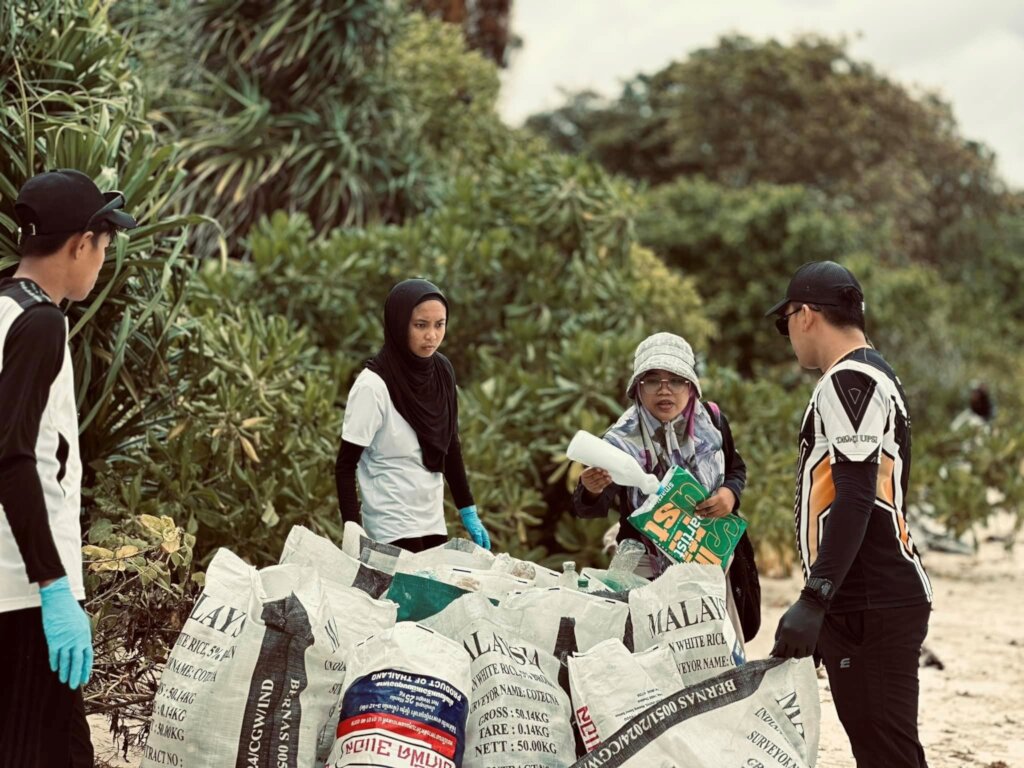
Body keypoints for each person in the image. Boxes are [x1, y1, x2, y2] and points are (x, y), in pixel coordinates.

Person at [766, 261, 933, 767]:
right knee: (882, 749)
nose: (788, 334)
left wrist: (816, 597)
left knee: (888, 755)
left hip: (870, 599)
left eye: (785, 321)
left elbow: (856, 496)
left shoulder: (849, 381)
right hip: (869, 597)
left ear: (807, 315)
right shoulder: (874, 373)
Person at [0, 170, 136, 766]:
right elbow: (13, 458)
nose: (102, 261)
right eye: (104, 247)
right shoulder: (42, 323)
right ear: (81, 243)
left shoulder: (4, 307)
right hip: (25, 588)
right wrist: (55, 589)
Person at [570, 332, 760, 641]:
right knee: (649, 646)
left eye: (675, 380)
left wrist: (729, 494)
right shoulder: (620, 440)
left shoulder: (712, 423)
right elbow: (590, 507)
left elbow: (735, 468)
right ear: (637, 389)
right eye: (652, 380)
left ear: (691, 386)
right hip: (645, 563)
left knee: (711, 646)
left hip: (708, 554)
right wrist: (591, 488)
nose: (664, 390)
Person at [334, 278, 491, 553]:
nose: (431, 335)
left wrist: (468, 510)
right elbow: (345, 465)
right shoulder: (372, 385)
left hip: (431, 519)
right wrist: (352, 526)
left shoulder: (442, 372)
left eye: (439, 324)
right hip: (389, 524)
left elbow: (450, 445)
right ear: (399, 324)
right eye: (421, 325)